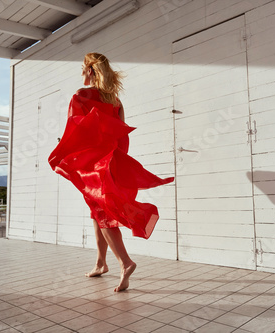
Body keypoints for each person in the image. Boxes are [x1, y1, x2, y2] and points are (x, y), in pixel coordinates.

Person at [48, 52, 174, 292]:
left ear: (90, 71)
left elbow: (76, 129)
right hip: (112, 162)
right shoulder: (115, 101)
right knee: (97, 213)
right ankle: (100, 263)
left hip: (95, 166)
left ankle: (125, 263)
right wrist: (115, 161)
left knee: (104, 214)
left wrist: (71, 151)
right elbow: (122, 136)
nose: (81, 74)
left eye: (83, 69)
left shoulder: (81, 96)